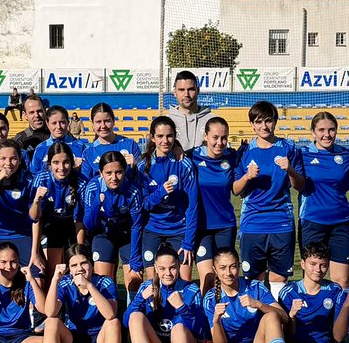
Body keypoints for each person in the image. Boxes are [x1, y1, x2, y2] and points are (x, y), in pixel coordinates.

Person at [232, 99, 306, 294]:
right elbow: (236, 190)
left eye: (268, 120)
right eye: (258, 121)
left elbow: (300, 185)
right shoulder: (244, 152)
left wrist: (290, 169)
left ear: (275, 121)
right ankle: (257, 323)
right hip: (253, 223)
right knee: (254, 280)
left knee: (279, 279)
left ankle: (279, 321)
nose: (264, 126)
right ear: (252, 124)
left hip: (281, 222)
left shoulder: (289, 148)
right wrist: (247, 177)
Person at [122, 244, 205, 343]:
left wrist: (182, 307)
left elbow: (201, 331)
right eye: (162, 269)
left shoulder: (191, 290)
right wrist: (139, 299)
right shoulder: (147, 287)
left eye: (172, 267)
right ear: (155, 267)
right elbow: (127, 322)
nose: (168, 273)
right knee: (135, 316)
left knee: (179, 327)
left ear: (179, 266)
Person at [37, 244, 121, 343]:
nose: (80, 269)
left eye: (84, 263)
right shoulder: (65, 282)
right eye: (74, 265)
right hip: (73, 340)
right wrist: (55, 280)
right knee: (51, 321)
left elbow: (110, 314)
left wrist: (89, 286)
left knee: (113, 322)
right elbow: (50, 312)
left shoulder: (105, 282)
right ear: (69, 269)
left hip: (99, 341)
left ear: (91, 264)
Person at [277, 243, 349, 343]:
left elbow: (338, 332)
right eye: (313, 264)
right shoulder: (288, 292)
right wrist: (292, 316)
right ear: (302, 264)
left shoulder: (334, 290)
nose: (318, 269)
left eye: (323, 265)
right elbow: (286, 336)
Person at [298, 111, 349, 289]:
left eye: (331, 130)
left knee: (342, 281)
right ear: (313, 132)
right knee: (312, 279)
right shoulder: (302, 155)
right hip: (312, 223)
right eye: (321, 130)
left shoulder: (345, 155)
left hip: (341, 224)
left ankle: (340, 316)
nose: (327, 134)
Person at [137, 115, 198, 281]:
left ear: (175, 137)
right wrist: (160, 193)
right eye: (160, 136)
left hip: (179, 230)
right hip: (153, 230)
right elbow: (144, 205)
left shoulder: (184, 164)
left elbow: (192, 207)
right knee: (153, 284)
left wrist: (188, 242)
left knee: (182, 283)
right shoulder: (144, 166)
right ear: (152, 137)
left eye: (169, 136)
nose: (165, 140)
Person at [80, 150, 143, 287]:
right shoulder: (93, 187)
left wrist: (135, 259)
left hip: (126, 236)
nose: (114, 177)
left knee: (134, 279)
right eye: (108, 173)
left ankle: (133, 308)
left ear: (125, 171)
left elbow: (136, 225)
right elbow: (89, 225)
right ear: (101, 173)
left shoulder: (133, 190)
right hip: (103, 235)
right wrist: (97, 203)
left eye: (118, 172)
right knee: (104, 282)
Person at [189, 116, 238, 293]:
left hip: (225, 225)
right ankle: (207, 317)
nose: (219, 142)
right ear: (205, 136)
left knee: (225, 277)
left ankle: (225, 317)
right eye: (215, 137)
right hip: (201, 227)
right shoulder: (191, 156)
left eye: (224, 138)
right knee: (208, 277)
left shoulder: (232, 157)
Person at [30, 141, 82, 281]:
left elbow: (79, 220)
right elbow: (35, 218)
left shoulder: (80, 181)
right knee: (53, 274)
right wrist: (34, 252)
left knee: (77, 270)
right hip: (49, 227)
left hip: (72, 227)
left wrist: (80, 250)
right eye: (56, 162)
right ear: (49, 164)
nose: (61, 167)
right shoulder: (41, 178)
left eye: (66, 162)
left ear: (72, 163)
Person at [29, 105, 89, 174]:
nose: (58, 127)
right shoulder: (41, 148)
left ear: (68, 123)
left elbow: (87, 175)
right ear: (47, 124)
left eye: (62, 122)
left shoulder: (80, 146)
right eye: (54, 123)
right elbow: (33, 175)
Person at [171, 70, 218, 152]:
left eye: (191, 89)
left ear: (198, 91)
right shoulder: (167, 121)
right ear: (175, 93)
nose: (186, 94)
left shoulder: (212, 120)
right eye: (181, 90)